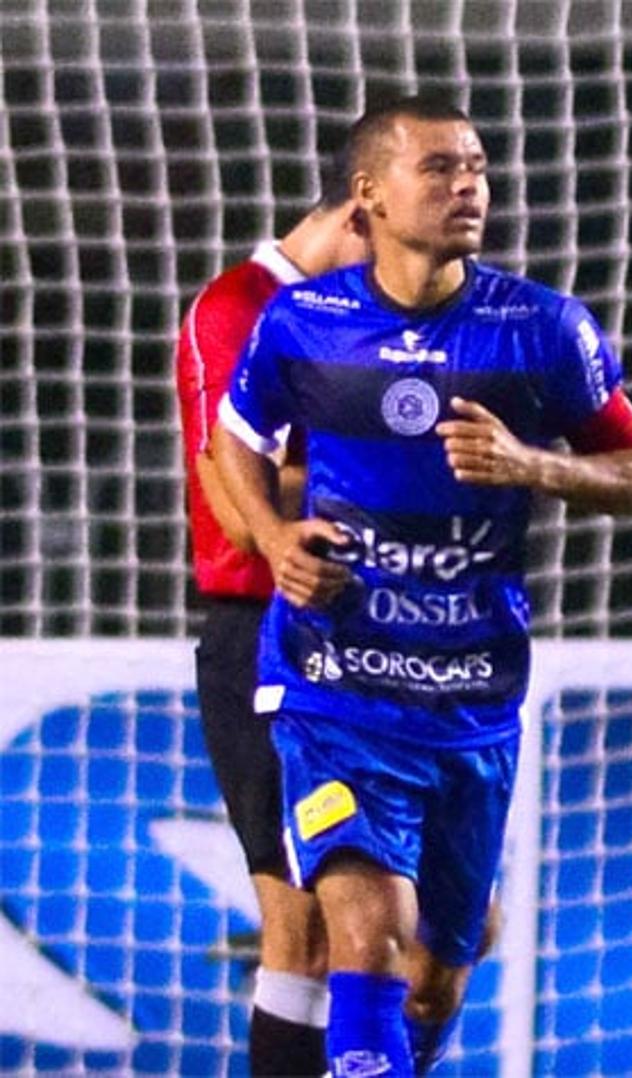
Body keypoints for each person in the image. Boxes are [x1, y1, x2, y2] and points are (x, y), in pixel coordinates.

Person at [213, 96, 632, 1076]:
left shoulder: (542, 329)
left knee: (436, 975)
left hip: (469, 704)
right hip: (334, 686)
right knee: (366, 932)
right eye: (442, 168)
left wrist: (537, 467)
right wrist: (273, 533)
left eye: (479, 169)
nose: (469, 187)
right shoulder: (303, 324)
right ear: (369, 194)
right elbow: (232, 443)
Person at [175, 161, 365, 1076]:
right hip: (261, 633)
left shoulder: (364, 325)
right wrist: (389, 483)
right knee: (304, 924)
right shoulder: (237, 305)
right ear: (361, 212)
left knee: (431, 926)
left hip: (372, 643)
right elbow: (225, 470)